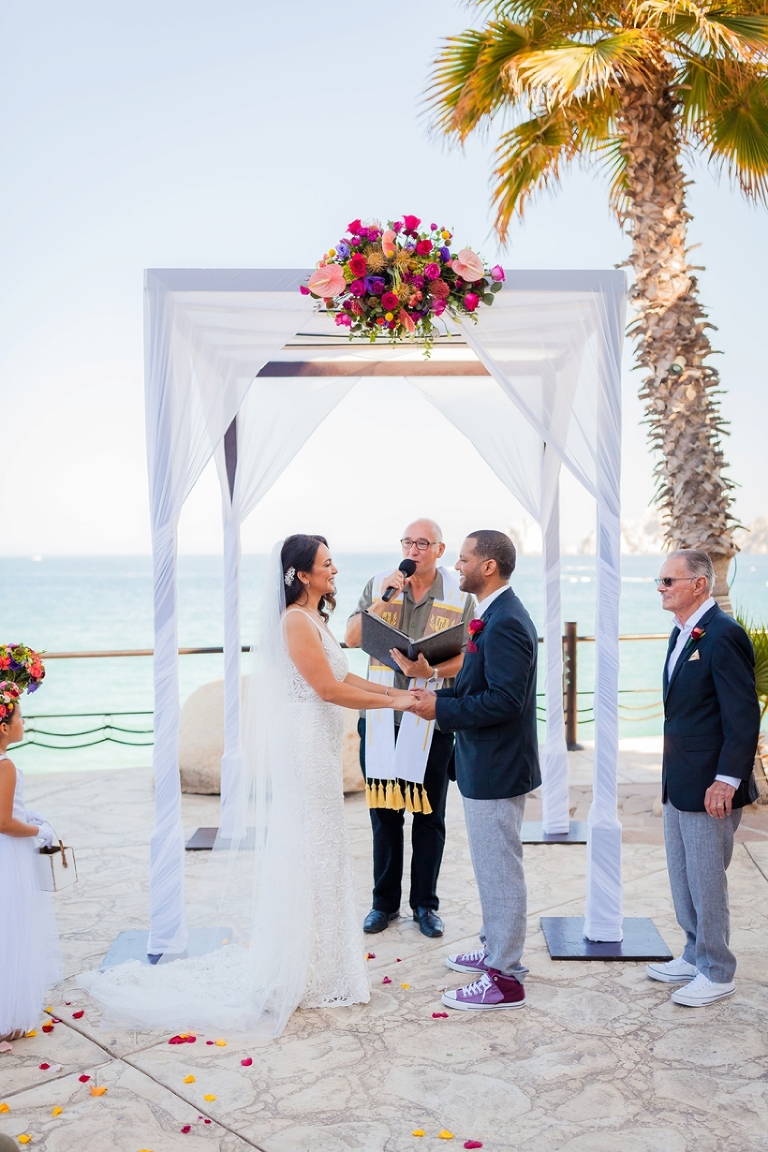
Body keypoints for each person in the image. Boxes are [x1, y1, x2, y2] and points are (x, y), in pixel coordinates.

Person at [80, 535, 414, 1037]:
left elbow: (346, 672)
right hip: (304, 747)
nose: (334, 570)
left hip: (318, 743)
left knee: (323, 847)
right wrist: (395, 704)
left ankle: (325, 964)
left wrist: (398, 693)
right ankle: (306, 968)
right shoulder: (294, 622)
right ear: (301, 573)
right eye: (326, 564)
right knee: (313, 847)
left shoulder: (317, 619)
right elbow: (327, 689)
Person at [410, 530, 540, 1011]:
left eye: (463, 559)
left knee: (500, 869)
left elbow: (505, 701)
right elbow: (474, 684)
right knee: (492, 867)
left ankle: (505, 977)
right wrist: (436, 697)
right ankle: (494, 948)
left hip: (498, 763)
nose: (456, 567)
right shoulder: (492, 615)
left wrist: (441, 713)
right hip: (486, 760)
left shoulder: (505, 621)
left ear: (488, 566)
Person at [345, 519, 475, 939]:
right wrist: (384, 600)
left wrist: (430, 669)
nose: (414, 550)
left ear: (440, 550)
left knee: (429, 816)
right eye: (408, 542)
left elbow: (471, 656)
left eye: (423, 543)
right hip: (381, 715)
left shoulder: (460, 595)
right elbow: (349, 639)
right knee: (383, 816)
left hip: (431, 717)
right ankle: (383, 904)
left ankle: (425, 905)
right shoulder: (380, 586)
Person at [645, 549, 759, 1007]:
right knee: (682, 875)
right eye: (660, 581)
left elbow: (743, 717)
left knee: (707, 880)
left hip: (712, 788)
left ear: (699, 584)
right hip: (680, 781)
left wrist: (727, 780)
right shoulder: (682, 634)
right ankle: (693, 953)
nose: (661, 588)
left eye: (670, 581)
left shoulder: (723, 635)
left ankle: (718, 969)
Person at [0, 681, 62, 1042]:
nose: (24, 721)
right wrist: (37, 830)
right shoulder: (5, 764)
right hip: (8, 857)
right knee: (12, 929)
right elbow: (4, 822)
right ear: (5, 727)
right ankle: (7, 1019)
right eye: (20, 716)